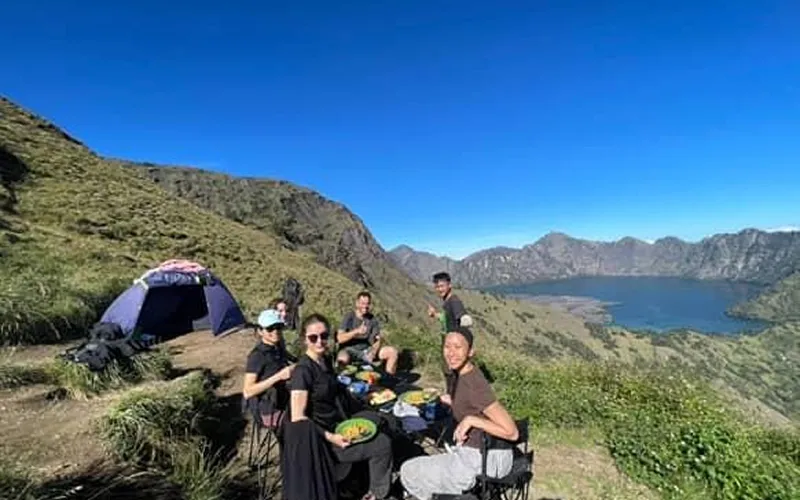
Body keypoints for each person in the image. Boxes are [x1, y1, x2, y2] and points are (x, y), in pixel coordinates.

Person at [399, 326, 518, 500]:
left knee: (408, 470)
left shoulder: (475, 383)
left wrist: (471, 420)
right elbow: (470, 404)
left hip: (488, 460)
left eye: (458, 347)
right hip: (478, 451)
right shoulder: (462, 374)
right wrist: (447, 400)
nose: (451, 353)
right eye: (447, 347)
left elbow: (512, 432)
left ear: (470, 352)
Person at [288, 313, 395, 500]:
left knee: (383, 419)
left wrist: (366, 396)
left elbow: (336, 390)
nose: (319, 341)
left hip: (340, 421)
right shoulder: (302, 371)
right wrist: (332, 438)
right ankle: (377, 494)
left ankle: (360, 477)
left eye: (324, 336)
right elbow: (298, 418)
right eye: (313, 337)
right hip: (326, 438)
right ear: (304, 339)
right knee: (382, 444)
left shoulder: (324, 360)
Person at [242, 309, 295, 429]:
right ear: (260, 331)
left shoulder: (276, 347)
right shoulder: (257, 356)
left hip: (283, 401)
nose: (275, 331)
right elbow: (247, 391)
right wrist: (279, 376)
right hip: (270, 410)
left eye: (278, 327)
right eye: (270, 328)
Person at [337, 291, 399, 375]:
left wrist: (373, 352)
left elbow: (377, 339)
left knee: (392, 352)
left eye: (368, 304)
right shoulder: (349, 317)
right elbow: (340, 338)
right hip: (349, 350)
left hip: (366, 350)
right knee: (342, 358)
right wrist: (356, 331)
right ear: (357, 303)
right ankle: (342, 382)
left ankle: (389, 379)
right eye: (362, 303)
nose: (365, 306)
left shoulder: (372, 319)